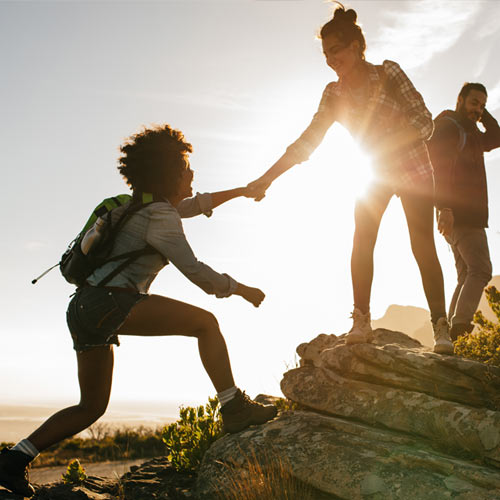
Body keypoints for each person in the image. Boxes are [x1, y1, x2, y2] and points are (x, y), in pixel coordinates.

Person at [0, 124, 277, 497]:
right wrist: (241, 289)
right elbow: (195, 271)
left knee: (91, 406)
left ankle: (12, 461)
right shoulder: (160, 216)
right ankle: (234, 408)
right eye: (186, 169)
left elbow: (193, 205)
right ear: (169, 175)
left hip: (83, 307)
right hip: (110, 303)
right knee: (206, 324)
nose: (192, 174)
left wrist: (242, 191)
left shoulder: (137, 204)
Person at [247, 4, 453, 354]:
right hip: (373, 172)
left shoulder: (389, 73)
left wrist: (391, 141)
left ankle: (441, 326)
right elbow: (307, 142)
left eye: (336, 50)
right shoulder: (334, 93)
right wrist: (268, 178)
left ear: (357, 46)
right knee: (362, 239)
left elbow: (425, 121)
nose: (330, 59)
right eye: (326, 53)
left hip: (413, 168)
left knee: (421, 244)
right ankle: (361, 320)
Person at [428, 83, 500, 341]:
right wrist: (444, 207)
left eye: (482, 105)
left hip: (459, 214)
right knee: (481, 270)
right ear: (460, 100)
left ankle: (449, 333)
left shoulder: (471, 132)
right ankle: (460, 327)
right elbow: (440, 168)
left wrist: (482, 113)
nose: (478, 110)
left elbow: (497, 137)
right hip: (460, 213)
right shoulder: (451, 128)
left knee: (465, 274)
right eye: (474, 103)